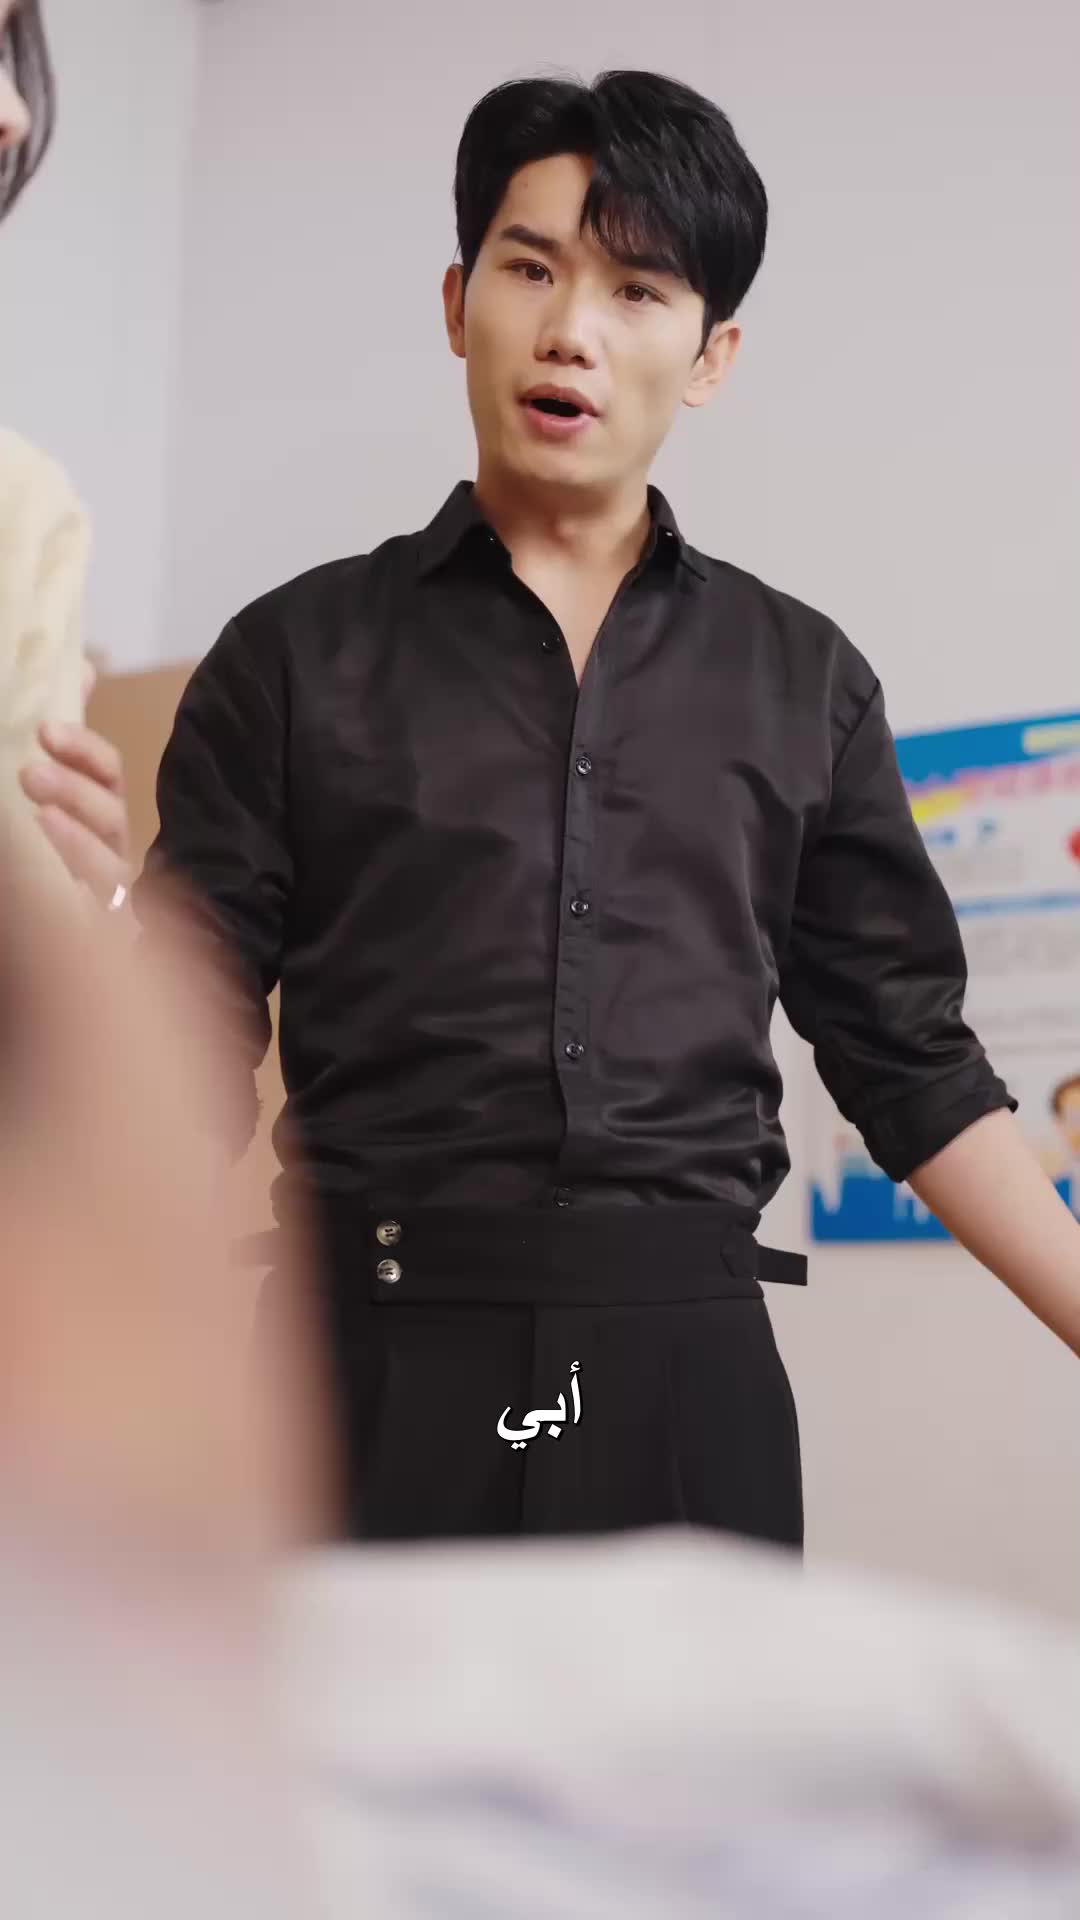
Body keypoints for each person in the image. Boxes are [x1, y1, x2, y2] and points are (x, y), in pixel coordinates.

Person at [24, 68, 1080, 1551]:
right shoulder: (289, 659)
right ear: (459, 303)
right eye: (531, 269)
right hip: (358, 1370)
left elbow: (913, 1063)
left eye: (638, 290)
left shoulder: (806, 681)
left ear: (710, 355)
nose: (572, 328)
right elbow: (182, 1045)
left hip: (686, 1374)